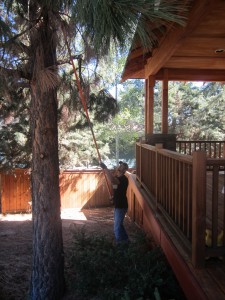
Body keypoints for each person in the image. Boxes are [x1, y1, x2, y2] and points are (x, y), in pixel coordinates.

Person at [100, 161, 129, 244]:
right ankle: (125, 241)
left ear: (125, 170)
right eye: (120, 165)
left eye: (122, 166)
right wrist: (113, 197)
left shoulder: (123, 179)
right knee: (119, 225)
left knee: (117, 227)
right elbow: (118, 190)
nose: (120, 166)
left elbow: (112, 180)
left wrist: (105, 168)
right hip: (118, 205)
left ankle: (120, 245)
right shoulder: (118, 178)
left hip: (121, 205)